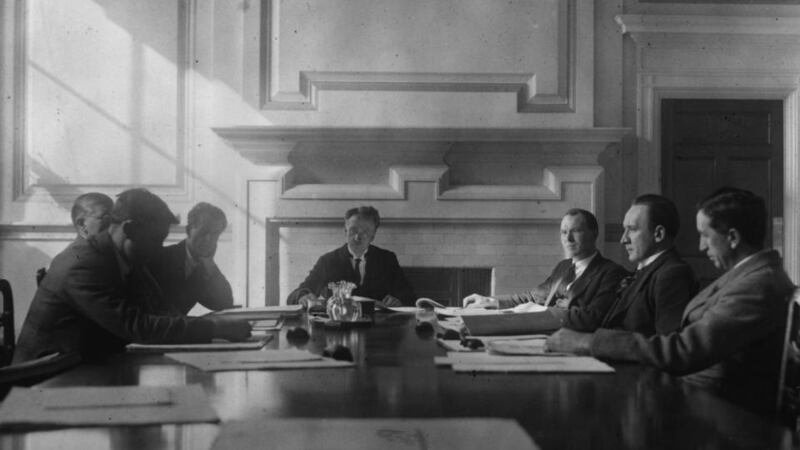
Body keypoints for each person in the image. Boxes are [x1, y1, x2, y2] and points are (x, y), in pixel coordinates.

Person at [547, 188, 793, 414]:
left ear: (732, 237)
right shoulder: (748, 276)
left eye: (705, 235)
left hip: (717, 410)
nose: (700, 246)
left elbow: (684, 350)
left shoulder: (758, 285)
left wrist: (589, 342)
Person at [13, 189, 251, 363]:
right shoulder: (83, 262)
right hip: (44, 378)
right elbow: (136, 326)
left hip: (87, 366)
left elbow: (161, 310)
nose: (158, 249)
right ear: (129, 229)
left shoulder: (126, 258)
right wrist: (213, 328)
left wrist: (212, 327)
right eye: (154, 241)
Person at [462, 209, 628, 331]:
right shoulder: (563, 267)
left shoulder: (611, 272)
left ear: (594, 234)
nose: (568, 239)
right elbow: (534, 297)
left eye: (576, 231)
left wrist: (546, 312)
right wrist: (491, 301)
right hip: (543, 335)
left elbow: (593, 318)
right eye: (563, 232)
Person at [592, 194, 697, 335]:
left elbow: (667, 344)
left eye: (633, 229)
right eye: (624, 229)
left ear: (658, 234)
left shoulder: (672, 274)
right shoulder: (645, 270)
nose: (623, 239)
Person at [287, 206, 416, 307]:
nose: (357, 237)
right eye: (353, 230)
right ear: (345, 231)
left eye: (365, 232)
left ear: (373, 236)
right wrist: (302, 296)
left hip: (378, 328)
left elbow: (409, 295)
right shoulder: (327, 261)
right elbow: (297, 294)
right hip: (338, 327)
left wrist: (398, 300)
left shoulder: (387, 259)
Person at [148, 202, 234, 315]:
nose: (209, 239)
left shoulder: (206, 268)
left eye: (215, 234)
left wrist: (210, 264)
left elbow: (224, 303)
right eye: (204, 232)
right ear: (188, 230)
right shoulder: (162, 257)